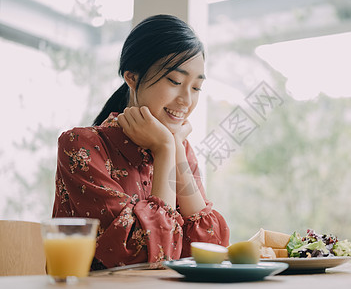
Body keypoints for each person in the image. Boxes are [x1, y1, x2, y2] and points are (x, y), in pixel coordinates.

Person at [52, 14, 230, 270]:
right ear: (132, 77)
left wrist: (173, 149)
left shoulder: (180, 148)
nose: (186, 100)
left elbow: (212, 250)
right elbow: (149, 257)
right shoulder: (80, 146)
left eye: (196, 88)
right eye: (175, 81)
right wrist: (166, 149)